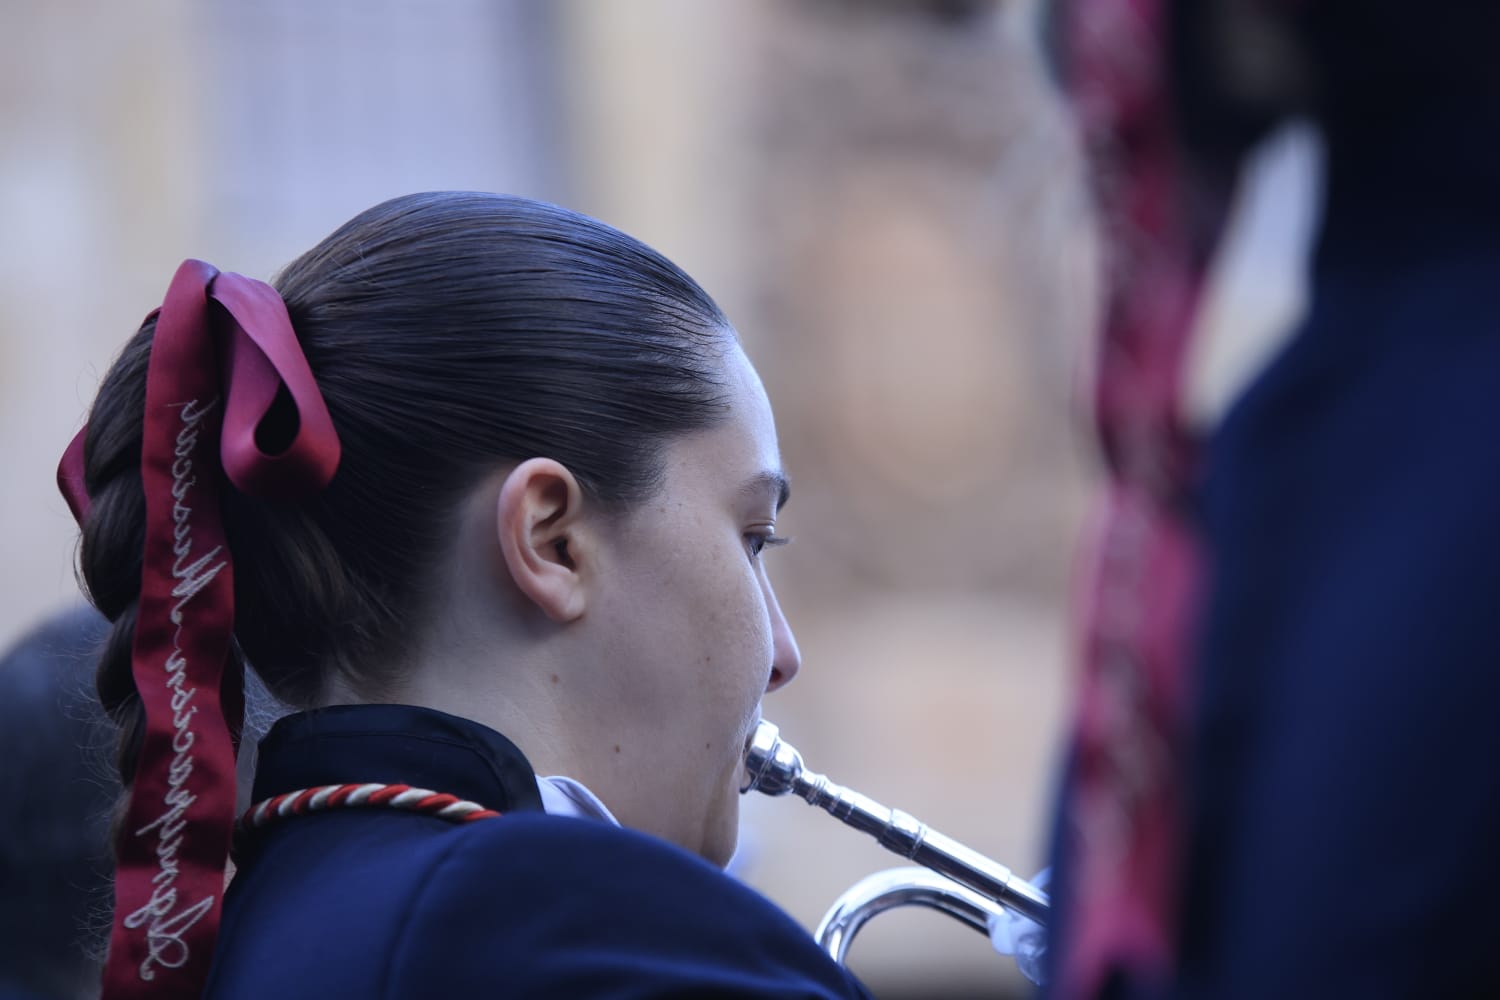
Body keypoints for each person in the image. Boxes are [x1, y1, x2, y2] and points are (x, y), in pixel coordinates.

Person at [58, 191, 873, 998]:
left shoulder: (254, 933)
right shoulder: (615, 936)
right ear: (552, 540)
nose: (783, 654)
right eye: (754, 538)